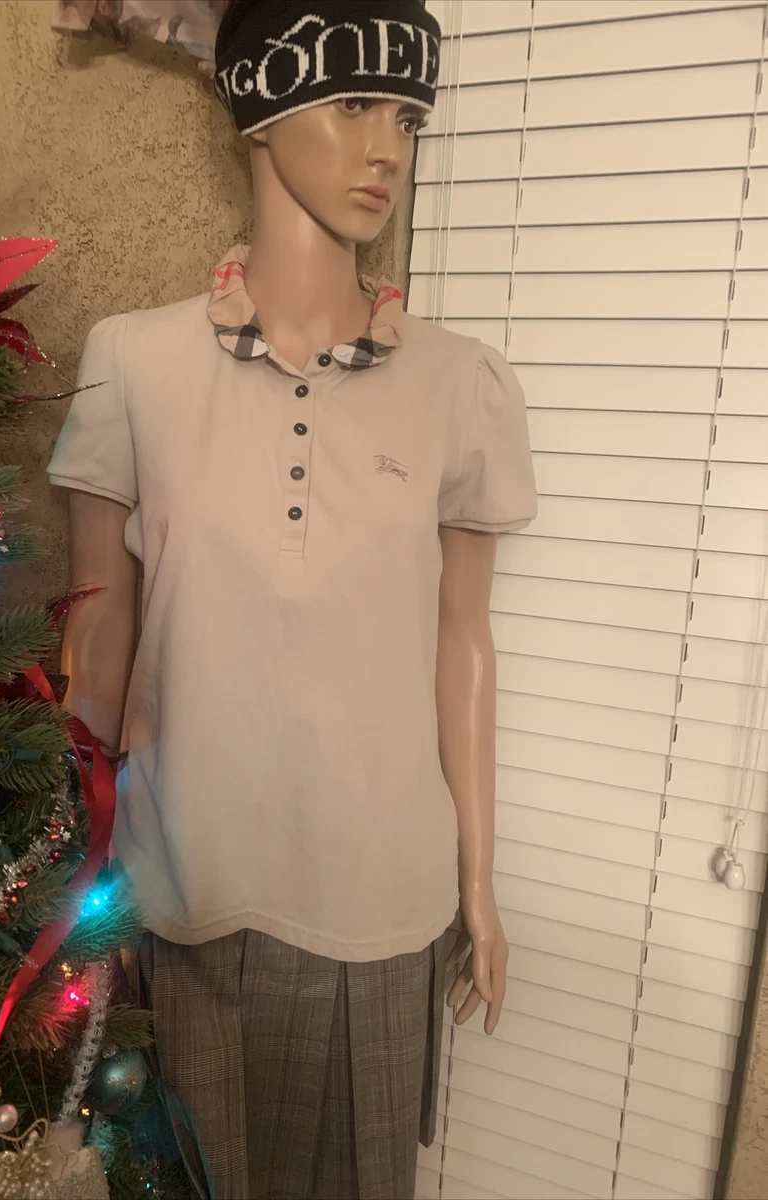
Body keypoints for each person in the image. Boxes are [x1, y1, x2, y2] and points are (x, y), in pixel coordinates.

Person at [47, 1, 538, 1196]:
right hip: (186, 886)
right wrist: (76, 878)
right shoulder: (134, 362)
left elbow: (462, 643)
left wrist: (476, 886)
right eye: (355, 104)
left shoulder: (461, 385)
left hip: (384, 900)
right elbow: (95, 634)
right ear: (260, 113)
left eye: (407, 118)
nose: (387, 150)